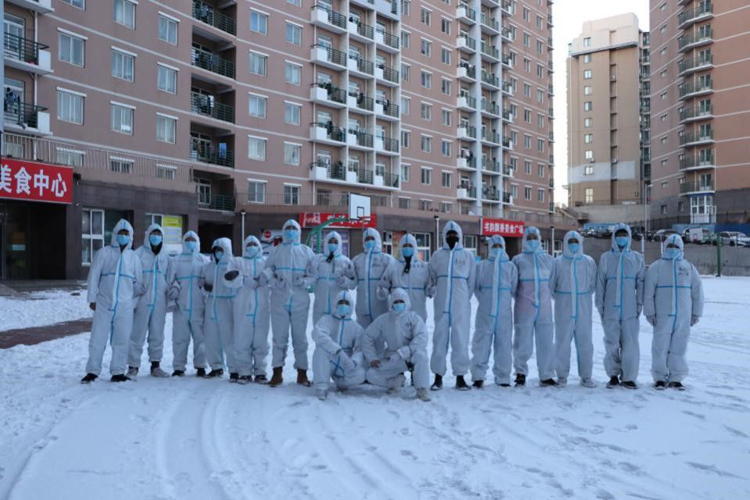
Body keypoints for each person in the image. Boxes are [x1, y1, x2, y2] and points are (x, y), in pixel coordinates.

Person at [82, 220, 143, 383]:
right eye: (121, 233)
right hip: (104, 302)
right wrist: (92, 299)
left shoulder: (134, 257)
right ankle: (92, 371)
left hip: (125, 306)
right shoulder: (104, 253)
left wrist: (133, 302)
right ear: (115, 234)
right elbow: (93, 276)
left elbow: (139, 282)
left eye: (126, 233)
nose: (123, 236)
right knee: (98, 338)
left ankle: (118, 371)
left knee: (122, 339)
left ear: (131, 236)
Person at [644, 234, 704, 390]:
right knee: (660, 346)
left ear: (681, 248)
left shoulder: (688, 267)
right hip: (662, 315)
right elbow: (648, 291)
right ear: (665, 247)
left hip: (683, 315)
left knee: (679, 346)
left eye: (676, 247)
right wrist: (649, 312)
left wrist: (696, 313)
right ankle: (659, 377)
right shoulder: (656, 267)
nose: (672, 249)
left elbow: (697, 292)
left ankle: (676, 377)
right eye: (670, 246)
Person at [264, 219, 316, 387]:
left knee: (300, 337)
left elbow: (314, 274)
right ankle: (277, 372)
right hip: (279, 298)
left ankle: (302, 372)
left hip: (300, 298)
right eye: (288, 228)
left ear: (299, 231)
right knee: (279, 337)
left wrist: (304, 282)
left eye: (294, 228)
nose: (291, 231)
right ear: (283, 230)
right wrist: (275, 282)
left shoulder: (306, 251)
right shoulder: (276, 251)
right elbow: (268, 271)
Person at [595, 224, 645, 389]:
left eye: (624, 235)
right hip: (610, 308)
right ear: (614, 238)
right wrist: (600, 305)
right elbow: (600, 283)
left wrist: (639, 304)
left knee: (630, 343)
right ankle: (613, 375)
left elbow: (641, 283)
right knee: (611, 343)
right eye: (619, 235)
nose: (621, 238)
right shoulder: (606, 258)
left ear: (629, 237)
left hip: (630, 308)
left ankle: (629, 377)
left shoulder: (636, 258)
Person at [428, 221, 476, 391]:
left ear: (460, 235)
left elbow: (471, 281)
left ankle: (460, 377)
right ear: (444, 236)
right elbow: (431, 277)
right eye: (449, 234)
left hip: (460, 306)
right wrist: (433, 289)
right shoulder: (437, 255)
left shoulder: (467, 256)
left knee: (460, 340)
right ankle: (438, 376)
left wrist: (463, 299)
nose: (452, 237)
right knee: (439, 340)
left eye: (455, 234)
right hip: (441, 305)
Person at [362, 289, 431, 402]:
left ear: (406, 302)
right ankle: (395, 382)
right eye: (396, 302)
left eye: (401, 301)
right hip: (393, 359)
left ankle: (422, 389)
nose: (398, 304)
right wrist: (372, 357)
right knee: (371, 374)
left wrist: (406, 351)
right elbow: (367, 336)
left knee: (421, 356)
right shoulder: (383, 319)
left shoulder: (414, 318)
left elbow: (422, 337)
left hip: (411, 356)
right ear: (391, 303)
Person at [127, 224, 174, 378]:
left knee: (157, 334)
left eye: (159, 234)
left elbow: (171, 277)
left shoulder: (166, 256)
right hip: (142, 299)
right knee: (137, 333)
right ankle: (133, 366)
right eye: (153, 233)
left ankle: (155, 365)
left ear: (162, 237)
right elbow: (129, 273)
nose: (156, 237)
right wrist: (134, 285)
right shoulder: (138, 254)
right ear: (148, 235)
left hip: (159, 301)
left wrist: (173, 289)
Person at [551, 231, 597, 388]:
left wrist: (581, 295)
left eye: (576, 241)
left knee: (585, 342)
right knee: (562, 342)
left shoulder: (588, 261)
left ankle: (586, 376)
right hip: (564, 306)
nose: (573, 244)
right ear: (565, 243)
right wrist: (563, 297)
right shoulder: (558, 262)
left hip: (583, 305)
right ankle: (561, 375)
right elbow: (551, 285)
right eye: (570, 241)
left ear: (580, 242)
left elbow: (592, 284)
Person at [470, 235, 518, 388]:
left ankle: (503, 376)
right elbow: (476, 287)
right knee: (481, 344)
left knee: (504, 344)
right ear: (489, 248)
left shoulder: (510, 267)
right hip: (485, 312)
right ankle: (478, 376)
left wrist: (503, 300)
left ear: (504, 247)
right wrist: (485, 300)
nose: (497, 249)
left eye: (500, 246)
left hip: (504, 312)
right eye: (494, 246)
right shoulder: (482, 266)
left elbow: (513, 288)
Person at [513, 226, 556, 387]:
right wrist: (522, 298)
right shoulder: (518, 260)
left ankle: (546, 374)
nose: (532, 240)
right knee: (522, 341)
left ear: (539, 239)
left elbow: (554, 282)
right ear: (524, 239)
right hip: (524, 307)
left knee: (546, 341)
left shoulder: (549, 259)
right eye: (529, 237)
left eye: (535, 237)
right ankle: (520, 373)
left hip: (545, 308)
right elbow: (513, 284)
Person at [225, 235, 271, 384]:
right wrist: (242, 280)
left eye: (254, 244)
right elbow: (227, 279)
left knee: (261, 341)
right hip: (242, 307)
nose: (251, 247)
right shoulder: (237, 261)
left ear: (259, 247)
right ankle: (244, 372)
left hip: (262, 307)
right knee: (242, 340)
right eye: (249, 244)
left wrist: (267, 275)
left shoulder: (265, 262)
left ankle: (260, 371)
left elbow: (274, 272)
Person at [311, 291, 367, 400]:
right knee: (320, 351)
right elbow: (318, 334)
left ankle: (342, 383)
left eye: (346, 303)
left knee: (360, 374)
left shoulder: (356, 327)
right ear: (335, 304)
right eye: (341, 302)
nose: (343, 305)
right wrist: (336, 350)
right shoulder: (326, 320)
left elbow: (360, 349)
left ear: (351, 306)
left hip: (345, 361)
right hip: (329, 358)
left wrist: (354, 361)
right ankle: (321, 386)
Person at [170, 231, 209, 377]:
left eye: (193, 239)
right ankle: (179, 367)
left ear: (197, 242)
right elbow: (171, 278)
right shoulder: (176, 260)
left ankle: (201, 366)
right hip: (181, 305)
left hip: (199, 306)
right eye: (188, 239)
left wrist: (205, 285)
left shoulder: (204, 260)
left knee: (201, 337)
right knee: (180, 338)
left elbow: (209, 279)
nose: (190, 242)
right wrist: (174, 287)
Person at [200, 237, 237, 380]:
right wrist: (205, 288)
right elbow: (202, 284)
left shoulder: (233, 265)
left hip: (228, 303)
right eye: (216, 250)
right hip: (212, 303)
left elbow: (238, 284)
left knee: (229, 338)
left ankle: (234, 369)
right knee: (211, 337)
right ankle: (216, 367)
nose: (218, 253)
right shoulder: (209, 266)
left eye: (221, 250)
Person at [344, 228, 395, 328]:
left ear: (377, 239)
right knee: (363, 335)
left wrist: (385, 290)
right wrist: (344, 280)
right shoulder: (357, 260)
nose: (369, 241)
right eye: (367, 239)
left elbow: (393, 282)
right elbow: (353, 283)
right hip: (362, 309)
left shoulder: (387, 259)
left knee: (380, 333)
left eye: (372, 238)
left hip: (381, 307)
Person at [378, 233, 432, 322]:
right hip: (398, 313)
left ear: (415, 247)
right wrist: (382, 291)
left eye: (410, 246)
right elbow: (383, 285)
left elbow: (429, 287)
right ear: (400, 247)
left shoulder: (423, 267)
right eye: (405, 246)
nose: (407, 248)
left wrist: (431, 290)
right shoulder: (393, 266)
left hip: (418, 313)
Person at [311, 231, 355, 325]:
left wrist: (344, 281)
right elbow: (311, 277)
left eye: (335, 242)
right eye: (330, 241)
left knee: (337, 332)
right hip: (320, 306)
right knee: (319, 331)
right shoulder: (318, 259)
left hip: (338, 307)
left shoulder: (345, 261)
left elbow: (353, 284)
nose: (333, 244)